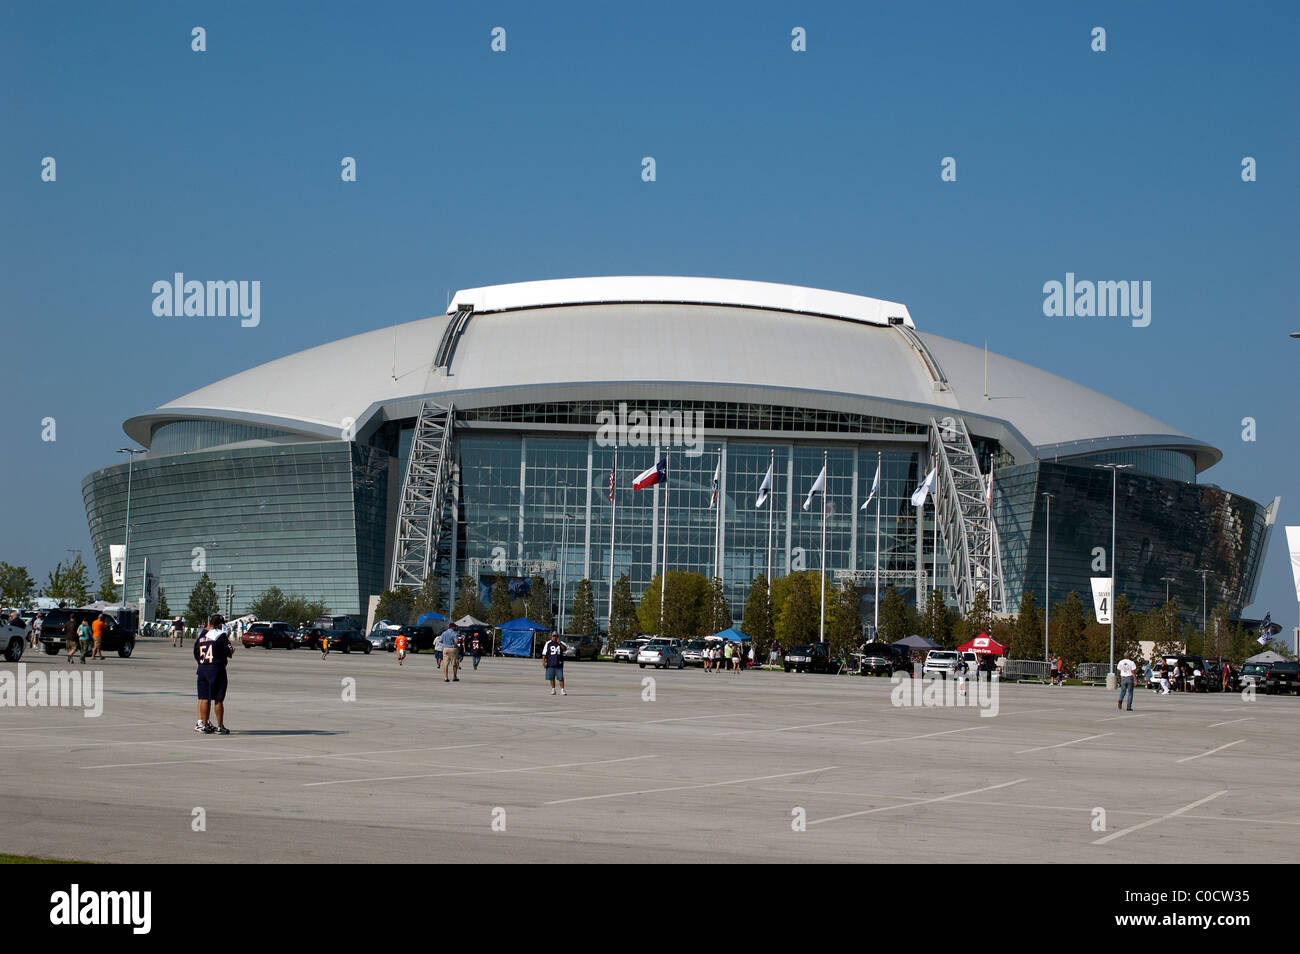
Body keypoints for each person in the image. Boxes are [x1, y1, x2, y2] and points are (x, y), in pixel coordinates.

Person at [193, 614, 234, 734]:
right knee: (218, 699)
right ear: (220, 624)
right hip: (216, 668)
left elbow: (196, 653)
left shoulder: (202, 636)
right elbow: (227, 651)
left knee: (204, 698)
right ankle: (220, 726)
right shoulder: (220, 635)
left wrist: (202, 662)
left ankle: (204, 724)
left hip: (202, 668)